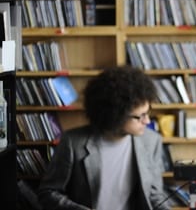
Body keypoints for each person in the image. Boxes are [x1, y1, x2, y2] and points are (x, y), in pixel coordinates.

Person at [38, 66, 170, 210]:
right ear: (115, 115)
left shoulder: (152, 141)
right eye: (139, 117)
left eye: (147, 112)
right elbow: (48, 193)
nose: (147, 121)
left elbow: (155, 196)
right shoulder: (73, 143)